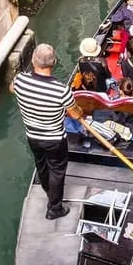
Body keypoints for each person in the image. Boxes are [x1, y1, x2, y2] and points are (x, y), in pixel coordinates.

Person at [11, 44, 82, 220]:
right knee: (57, 171)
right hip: (55, 140)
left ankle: (50, 192)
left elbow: (11, 88)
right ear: (54, 62)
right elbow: (74, 113)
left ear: (33, 60)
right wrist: (79, 111)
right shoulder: (61, 90)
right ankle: (55, 209)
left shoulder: (20, 80)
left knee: (41, 165)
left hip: (32, 137)